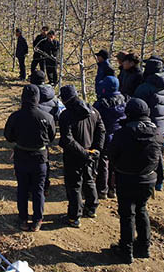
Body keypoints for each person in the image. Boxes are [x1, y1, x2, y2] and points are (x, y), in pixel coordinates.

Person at [106, 98, 162, 264]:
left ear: (129, 113)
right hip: (148, 178)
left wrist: (117, 170)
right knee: (142, 210)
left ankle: (126, 250)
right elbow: (159, 158)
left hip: (127, 178)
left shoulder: (123, 133)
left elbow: (112, 155)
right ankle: (144, 247)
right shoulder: (156, 133)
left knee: (127, 214)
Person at [4, 85, 56, 232]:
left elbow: (8, 136)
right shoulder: (47, 117)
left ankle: (23, 219)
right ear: (38, 98)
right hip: (40, 158)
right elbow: (51, 138)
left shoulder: (15, 116)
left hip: (21, 156)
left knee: (22, 188)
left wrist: (20, 140)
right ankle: (37, 220)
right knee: (38, 189)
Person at [59, 85, 105, 228]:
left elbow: (67, 139)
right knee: (89, 180)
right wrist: (96, 149)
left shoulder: (66, 115)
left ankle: (74, 217)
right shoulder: (94, 111)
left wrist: (84, 153)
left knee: (74, 186)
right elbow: (101, 130)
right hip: (90, 154)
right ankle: (91, 208)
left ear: (64, 100)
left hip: (74, 155)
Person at [134, 55, 164, 192]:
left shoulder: (145, 87)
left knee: (144, 153)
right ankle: (159, 181)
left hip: (147, 124)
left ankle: (144, 179)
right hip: (160, 125)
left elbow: (136, 106)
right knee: (159, 153)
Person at [93, 76, 126, 199]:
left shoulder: (101, 104)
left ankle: (102, 190)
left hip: (105, 136)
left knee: (103, 163)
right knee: (116, 163)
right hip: (119, 136)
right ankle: (113, 189)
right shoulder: (124, 100)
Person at [30, 69, 60, 195]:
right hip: (46, 135)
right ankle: (45, 187)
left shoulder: (32, 95)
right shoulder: (52, 96)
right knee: (44, 161)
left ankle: (32, 187)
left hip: (32, 133)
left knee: (30, 163)